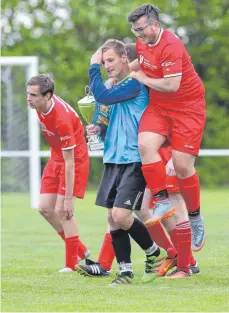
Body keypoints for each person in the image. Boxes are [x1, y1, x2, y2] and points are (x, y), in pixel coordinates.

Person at [75, 39, 168, 285]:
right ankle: (125, 272)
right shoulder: (111, 85)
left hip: (134, 158)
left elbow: (102, 94)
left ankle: (154, 252)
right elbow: (107, 115)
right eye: (103, 62)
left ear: (125, 58)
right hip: (113, 158)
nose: (106, 66)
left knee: (122, 215)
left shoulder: (135, 82)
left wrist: (92, 67)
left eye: (110, 60)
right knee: (112, 218)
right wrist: (98, 128)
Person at [127, 5, 206, 272]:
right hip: (160, 107)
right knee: (145, 145)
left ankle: (195, 217)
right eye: (133, 30)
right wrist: (121, 73)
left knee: (183, 166)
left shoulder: (171, 45)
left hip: (188, 107)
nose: (137, 35)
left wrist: (142, 78)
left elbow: (172, 85)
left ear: (155, 24)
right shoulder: (142, 42)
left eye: (140, 29)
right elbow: (140, 60)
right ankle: (160, 200)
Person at [26, 74, 90, 272]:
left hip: (73, 160)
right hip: (56, 157)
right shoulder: (40, 106)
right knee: (45, 208)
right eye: (28, 93)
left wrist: (68, 198)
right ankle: (80, 248)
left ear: (48, 96)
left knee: (64, 211)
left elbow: (70, 162)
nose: (29, 98)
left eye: (34, 95)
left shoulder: (61, 118)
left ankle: (71, 264)